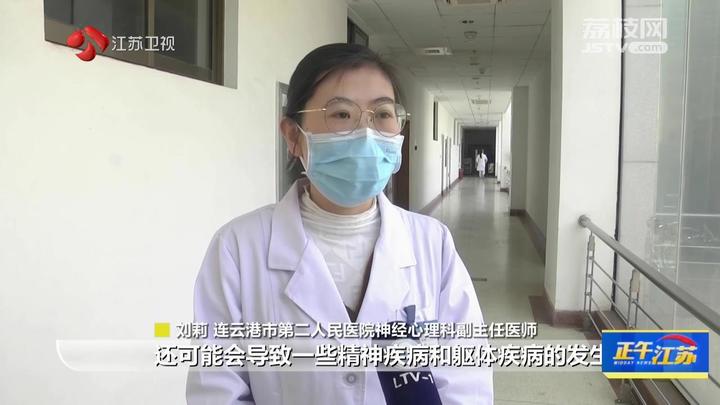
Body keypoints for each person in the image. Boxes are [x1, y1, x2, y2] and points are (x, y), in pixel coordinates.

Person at [186, 43, 492, 404]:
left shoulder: (433, 244)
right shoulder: (237, 248)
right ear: (293, 136)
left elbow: (465, 379)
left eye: (383, 114)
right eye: (342, 114)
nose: (367, 133)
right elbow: (218, 390)